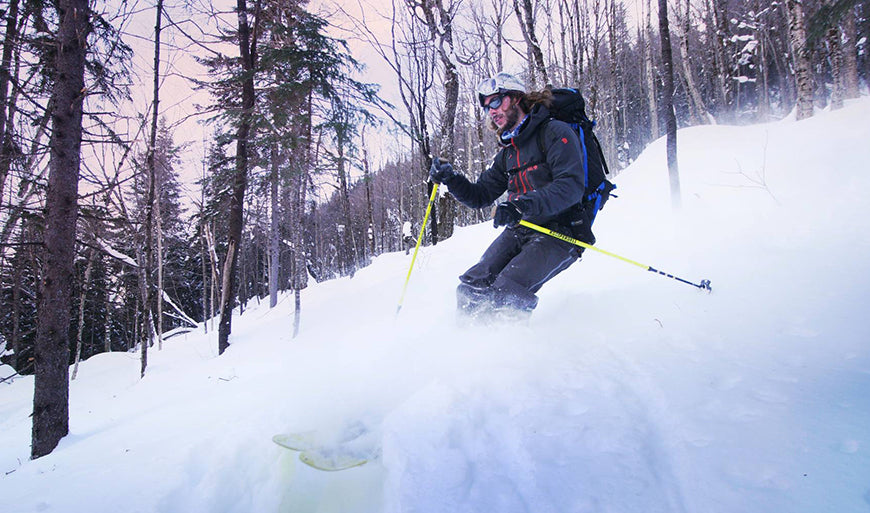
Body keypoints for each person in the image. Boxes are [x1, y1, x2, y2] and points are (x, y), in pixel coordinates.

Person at [430, 71, 588, 322]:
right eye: (486, 105)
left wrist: (519, 206)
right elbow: (480, 195)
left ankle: (508, 356)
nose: (491, 110)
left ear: (516, 98)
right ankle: (464, 347)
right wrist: (451, 179)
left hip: (561, 232)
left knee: (507, 292)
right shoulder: (508, 152)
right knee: (471, 288)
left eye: (496, 101)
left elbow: (570, 187)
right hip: (522, 228)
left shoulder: (555, 132)